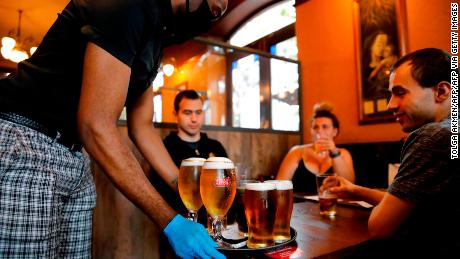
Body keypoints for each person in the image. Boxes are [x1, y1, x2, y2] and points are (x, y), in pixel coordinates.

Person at [0, 0, 228, 258]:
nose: (214, 18)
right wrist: (170, 221)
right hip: (25, 141)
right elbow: (95, 125)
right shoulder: (129, 5)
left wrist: (187, 189)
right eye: (214, 8)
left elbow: (141, 127)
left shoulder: (156, 32)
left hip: (75, 155)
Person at [327, 48, 460, 257]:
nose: (391, 105)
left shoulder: (432, 137)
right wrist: (355, 190)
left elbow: (379, 228)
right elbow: (408, 202)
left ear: (442, 91)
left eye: (400, 93)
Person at [150, 89, 227, 225]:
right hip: (179, 228)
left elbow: (226, 185)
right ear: (175, 114)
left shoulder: (215, 147)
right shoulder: (164, 149)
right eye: (187, 112)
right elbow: (158, 195)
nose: (194, 119)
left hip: (216, 227)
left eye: (198, 112)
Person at [276, 103, 355, 193]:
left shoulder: (343, 153)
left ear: (335, 131)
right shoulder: (297, 151)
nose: (319, 131)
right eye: (315, 127)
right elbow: (279, 185)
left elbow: (350, 185)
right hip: (301, 205)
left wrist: (334, 152)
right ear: (311, 131)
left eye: (325, 127)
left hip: (332, 204)